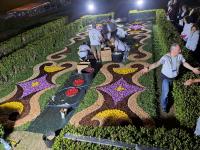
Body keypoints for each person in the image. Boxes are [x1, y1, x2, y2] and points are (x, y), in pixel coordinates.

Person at [141, 43, 200, 112]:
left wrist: (193, 69)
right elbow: (157, 63)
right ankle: (164, 107)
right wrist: (148, 68)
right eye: (179, 50)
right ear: (173, 50)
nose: (180, 51)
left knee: (170, 90)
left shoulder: (180, 56)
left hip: (174, 78)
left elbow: (184, 63)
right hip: (165, 78)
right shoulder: (165, 57)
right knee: (165, 93)